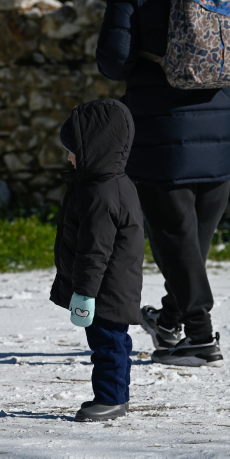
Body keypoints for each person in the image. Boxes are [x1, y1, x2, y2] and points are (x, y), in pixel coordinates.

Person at [96, 0, 230, 367]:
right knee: (192, 244)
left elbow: (114, 61)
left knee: (177, 241)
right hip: (220, 131)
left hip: (161, 130)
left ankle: (200, 336)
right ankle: (167, 324)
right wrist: (219, 68)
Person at [51, 99, 144, 422]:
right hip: (109, 285)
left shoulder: (102, 195)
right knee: (111, 342)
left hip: (106, 288)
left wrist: (85, 293)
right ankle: (115, 395)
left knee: (109, 345)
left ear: (95, 148)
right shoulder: (108, 185)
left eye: (73, 149)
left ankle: (112, 398)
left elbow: (95, 250)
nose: (68, 157)